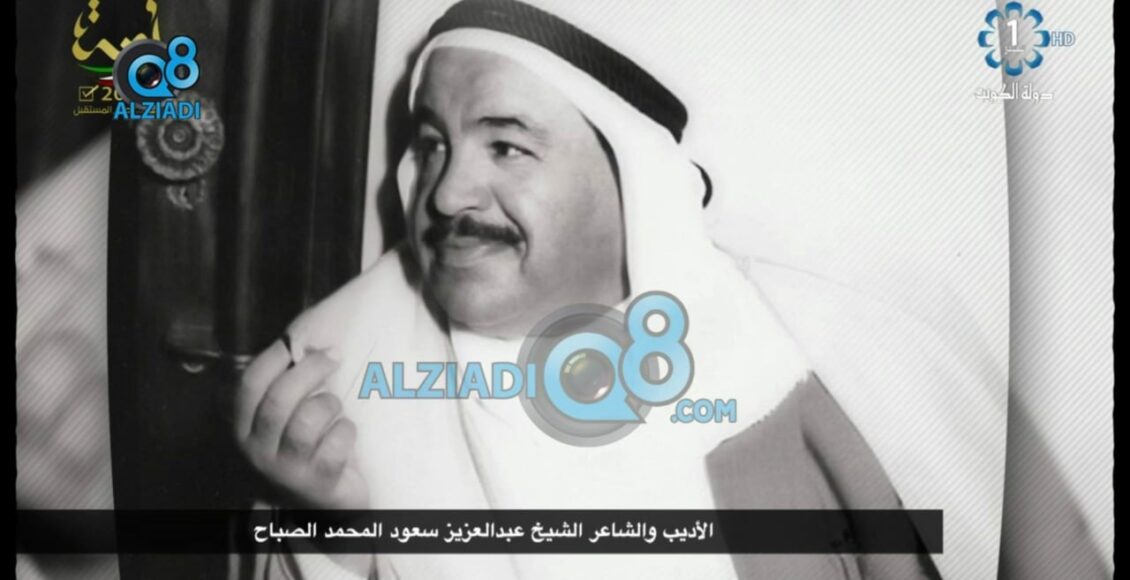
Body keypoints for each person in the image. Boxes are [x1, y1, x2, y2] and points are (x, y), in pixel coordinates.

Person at [234, 1, 1005, 578]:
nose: (445, 193)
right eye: (432, 144)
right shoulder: (337, 391)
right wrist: (332, 535)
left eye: (506, 145)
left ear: (634, 180)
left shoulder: (792, 376)